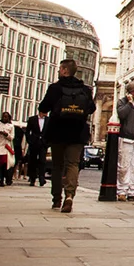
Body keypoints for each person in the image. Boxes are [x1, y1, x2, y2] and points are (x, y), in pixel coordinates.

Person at [37, 59, 96, 213]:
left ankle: (57, 198)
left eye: (60, 69)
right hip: (78, 132)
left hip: (58, 131)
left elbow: (43, 107)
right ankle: (69, 196)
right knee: (73, 164)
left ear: (64, 70)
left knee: (58, 165)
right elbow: (91, 108)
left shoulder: (55, 88)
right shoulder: (85, 89)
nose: (59, 71)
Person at [25, 113, 48, 186]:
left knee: (42, 161)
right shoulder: (32, 119)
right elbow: (27, 131)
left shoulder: (48, 120)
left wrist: (48, 143)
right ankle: (32, 179)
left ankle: (42, 178)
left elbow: (51, 131)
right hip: (34, 143)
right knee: (32, 161)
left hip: (43, 143)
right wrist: (29, 140)